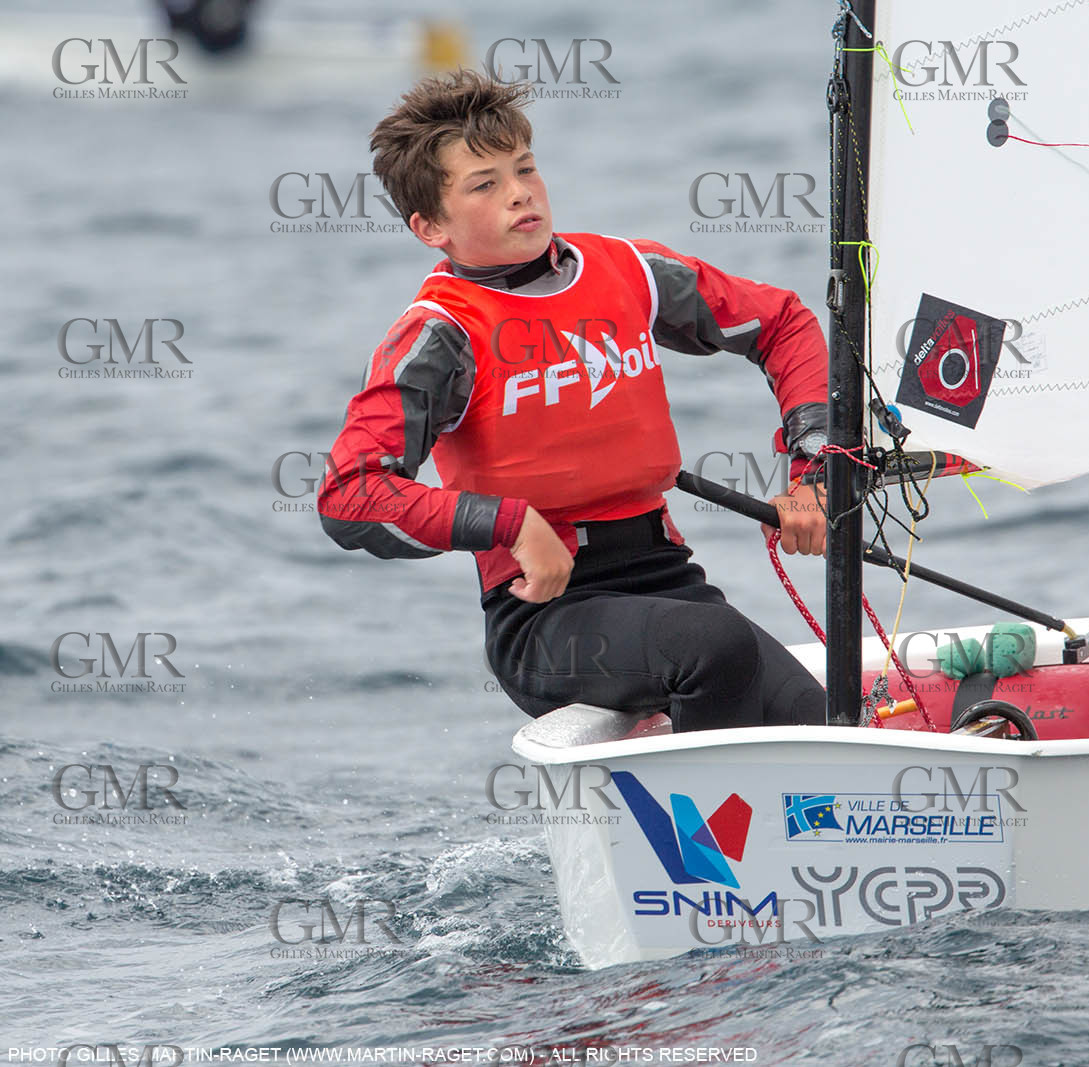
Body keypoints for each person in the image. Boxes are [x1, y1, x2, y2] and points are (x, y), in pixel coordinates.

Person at [316, 69, 831, 731]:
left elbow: (784, 323)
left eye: (525, 168)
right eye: (485, 184)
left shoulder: (627, 270)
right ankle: (709, 831)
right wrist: (508, 524)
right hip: (543, 616)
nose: (520, 194)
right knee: (714, 647)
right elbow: (349, 494)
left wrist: (812, 473)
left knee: (828, 719)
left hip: (667, 577)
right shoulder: (439, 336)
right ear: (430, 226)